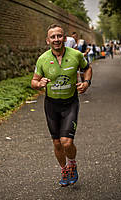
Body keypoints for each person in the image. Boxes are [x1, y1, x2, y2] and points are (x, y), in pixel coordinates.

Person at [31, 24, 92, 187]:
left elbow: (87, 69)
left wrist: (86, 82)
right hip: (51, 105)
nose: (56, 39)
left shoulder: (76, 55)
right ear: (48, 40)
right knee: (57, 142)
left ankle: (72, 163)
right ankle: (64, 169)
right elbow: (33, 81)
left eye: (59, 36)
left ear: (65, 38)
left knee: (66, 142)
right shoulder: (43, 59)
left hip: (70, 103)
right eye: (53, 37)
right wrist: (38, 84)